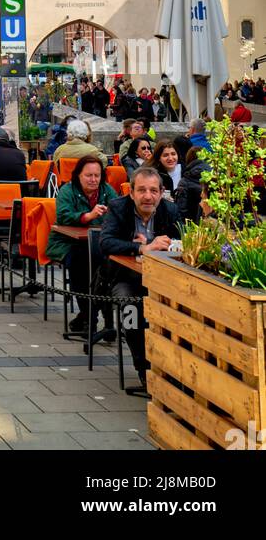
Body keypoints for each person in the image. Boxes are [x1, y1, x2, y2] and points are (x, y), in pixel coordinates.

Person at [99, 165, 182, 389]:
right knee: (131, 311)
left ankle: (173, 370)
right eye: (142, 190)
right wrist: (139, 248)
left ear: (161, 192)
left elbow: (184, 243)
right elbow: (105, 242)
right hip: (124, 278)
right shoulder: (118, 208)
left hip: (162, 281)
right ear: (132, 192)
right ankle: (143, 366)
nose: (148, 197)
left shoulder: (170, 211)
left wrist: (168, 247)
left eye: (153, 191)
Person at [46, 155, 117, 334]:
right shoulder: (67, 191)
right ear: (78, 175)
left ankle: (100, 320)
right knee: (81, 263)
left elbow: (119, 212)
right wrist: (88, 216)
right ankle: (90, 318)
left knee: (109, 265)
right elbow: (63, 216)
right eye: (89, 175)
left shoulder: (107, 190)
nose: (93, 179)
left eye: (97, 175)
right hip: (67, 242)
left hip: (99, 243)